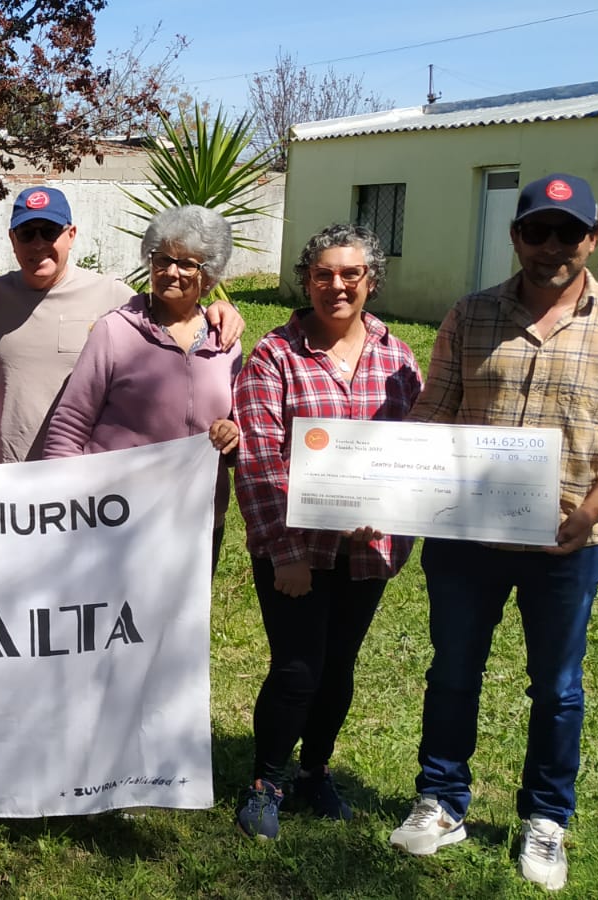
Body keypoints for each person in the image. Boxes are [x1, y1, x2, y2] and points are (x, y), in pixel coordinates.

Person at [387, 173, 598, 891]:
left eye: (568, 232)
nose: (552, 246)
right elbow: (433, 414)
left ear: (592, 238)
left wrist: (591, 509)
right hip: (466, 537)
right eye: (538, 230)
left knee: (557, 688)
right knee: (452, 672)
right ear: (516, 236)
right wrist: (387, 483)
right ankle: (441, 801)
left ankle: (546, 818)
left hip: (568, 542)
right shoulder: (470, 315)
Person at [231, 223, 422, 840]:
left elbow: (417, 451)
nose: (336, 286)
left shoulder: (397, 356)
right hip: (297, 552)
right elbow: (259, 459)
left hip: (368, 548)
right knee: (296, 668)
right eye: (323, 274)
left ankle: (315, 773)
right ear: (306, 280)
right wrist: (284, 553)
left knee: (339, 668)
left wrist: (393, 514)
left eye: (350, 275)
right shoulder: (275, 355)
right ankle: (267, 779)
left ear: (370, 281)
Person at [0, 187, 245, 462]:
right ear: (12, 240)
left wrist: (215, 310)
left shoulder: (113, 296)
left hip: (73, 485)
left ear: (71, 235)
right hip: (3, 479)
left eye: (50, 231)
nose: (38, 243)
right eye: (27, 233)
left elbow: (168, 313)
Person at [43, 205, 243, 570]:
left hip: (196, 519)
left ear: (209, 275)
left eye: (187, 264)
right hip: (117, 517)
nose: (171, 271)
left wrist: (233, 436)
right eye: (162, 259)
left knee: (182, 627)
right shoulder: (115, 331)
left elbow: (236, 428)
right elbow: (68, 426)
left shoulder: (226, 342)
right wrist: (66, 508)